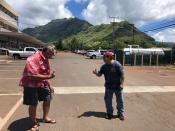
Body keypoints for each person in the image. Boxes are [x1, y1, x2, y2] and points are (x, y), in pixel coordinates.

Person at [19, 46, 56, 131]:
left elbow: (46, 72)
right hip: (30, 84)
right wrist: (49, 77)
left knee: (48, 98)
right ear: (46, 51)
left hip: (42, 83)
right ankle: (33, 123)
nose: (53, 55)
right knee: (33, 103)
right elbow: (33, 76)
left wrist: (50, 85)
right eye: (52, 53)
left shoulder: (46, 58)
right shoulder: (33, 59)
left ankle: (45, 117)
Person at [93, 52, 125, 120]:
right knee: (108, 101)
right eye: (103, 57)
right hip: (108, 87)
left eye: (105, 57)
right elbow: (100, 74)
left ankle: (120, 114)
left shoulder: (117, 65)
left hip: (118, 87)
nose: (103, 58)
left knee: (120, 101)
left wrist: (122, 84)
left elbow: (122, 75)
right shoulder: (104, 66)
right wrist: (96, 73)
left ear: (110, 57)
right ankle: (109, 114)